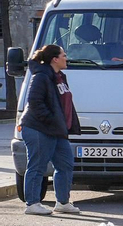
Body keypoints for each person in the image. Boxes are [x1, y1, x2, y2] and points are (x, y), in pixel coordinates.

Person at [17, 44, 81, 216]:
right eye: (64, 55)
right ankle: (32, 203)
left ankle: (62, 202)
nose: (66, 58)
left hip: (56, 130)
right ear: (55, 59)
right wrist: (52, 121)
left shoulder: (59, 77)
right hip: (38, 128)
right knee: (37, 165)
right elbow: (35, 103)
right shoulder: (41, 76)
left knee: (65, 164)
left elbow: (64, 104)